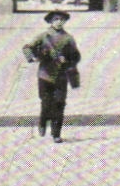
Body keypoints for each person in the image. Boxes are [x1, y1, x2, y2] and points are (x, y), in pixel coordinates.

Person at [24, 10, 81, 142]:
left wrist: (66, 60)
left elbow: (76, 56)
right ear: (50, 21)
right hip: (45, 75)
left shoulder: (68, 38)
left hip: (61, 76)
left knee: (59, 104)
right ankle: (43, 122)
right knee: (46, 103)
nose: (59, 22)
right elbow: (27, 48)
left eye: (62, 20)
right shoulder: (43, 36)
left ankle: (56, 134)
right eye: (56, 19)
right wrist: (33, 58)